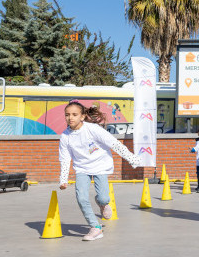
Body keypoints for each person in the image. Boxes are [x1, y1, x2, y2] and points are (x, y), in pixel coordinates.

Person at [59, 101, 141, 241]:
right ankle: (95, 227)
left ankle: (102, 203)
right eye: (67, 115)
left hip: (100, 166)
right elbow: (65, 158)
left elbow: (113, 143)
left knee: (104, 197)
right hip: (82, 168)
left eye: (74, 114)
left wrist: (132, 158)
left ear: (83, 116)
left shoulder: (93, 129)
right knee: (81, 198)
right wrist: (63, 179)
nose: (70, 118)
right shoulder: (65, 136)